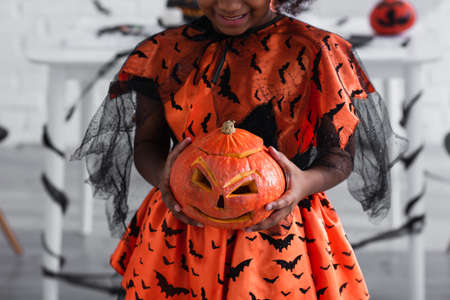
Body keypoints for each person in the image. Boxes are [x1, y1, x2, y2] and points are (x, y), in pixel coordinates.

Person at [73, 0, 404, 299]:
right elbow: (147, 144)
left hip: (281, 225)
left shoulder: (318, 51)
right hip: (184, 226)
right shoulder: (163, 52)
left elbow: (340, 157)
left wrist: (303, 183)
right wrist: (165, 177)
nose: (229, 5)